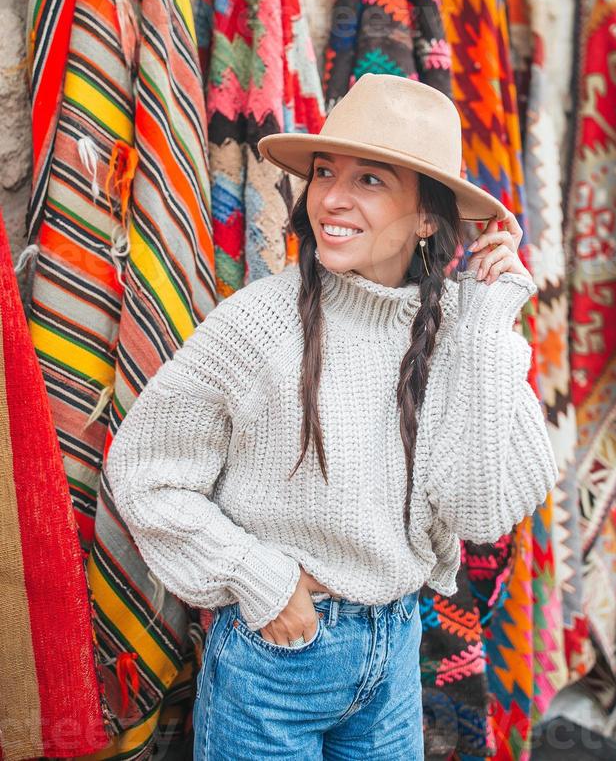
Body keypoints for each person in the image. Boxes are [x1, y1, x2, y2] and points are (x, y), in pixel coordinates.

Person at [106, 73, 558, 760]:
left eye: (370, 180)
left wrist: (492, 317)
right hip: (277, 659)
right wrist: (260, 579)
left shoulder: (461, 331)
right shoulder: (259, 324)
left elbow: (485, 509)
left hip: (397, 655)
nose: (332, 199)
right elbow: (143, 472)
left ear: (429, 215)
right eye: (324, 173)